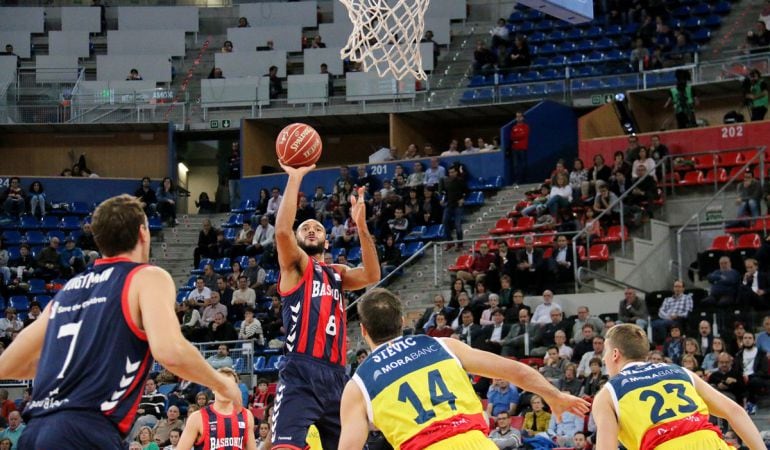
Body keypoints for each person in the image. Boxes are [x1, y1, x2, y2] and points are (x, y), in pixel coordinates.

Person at [0, 195, 241, 449]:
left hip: (35, 432)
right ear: (143, 232)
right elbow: (169, 351)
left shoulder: (68, 290)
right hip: (85, 431)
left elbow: (7, 364)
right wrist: (222, 383)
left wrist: (75, 367)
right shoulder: (146, 277)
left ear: (99, 240)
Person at [337, 288, 589, 450]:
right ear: (402, 321)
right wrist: (554, 396)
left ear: (363, 330)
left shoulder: (358, 384)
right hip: (478, 443)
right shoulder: (443, 346)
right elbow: (517, 372)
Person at [271, 162, 379, 450]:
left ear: (327, 241)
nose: (310, 230)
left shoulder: (337, 273)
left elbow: (372, 275)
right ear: (295, 240)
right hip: (300, 371)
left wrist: (361, 226)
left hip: (336, 375)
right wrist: (294, 177)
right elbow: (281, 232)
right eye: (304, 228)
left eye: (317, 228)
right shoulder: (294, 267)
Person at [591, 324, 764, 450]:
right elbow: (735, 412)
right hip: (710, 443)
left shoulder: (608, 393)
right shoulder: (680, 371)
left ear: (615, 354)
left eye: (605, 352)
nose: (604, 359)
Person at [176, 367, 256, 450]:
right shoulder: (196, 417)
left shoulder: (246, 415)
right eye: (220, 384)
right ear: (213, 388)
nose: (225, 389)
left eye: (229, 385)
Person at [510, 112, 529, 184]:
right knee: (515, 165)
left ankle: (525, 180)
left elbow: (523, 135)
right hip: (514, 148)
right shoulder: (514, 127)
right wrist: (517, 137)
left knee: (523, 165)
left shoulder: (526, 126)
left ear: (522, 117)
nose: (518, 118)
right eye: (517, 116)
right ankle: (517, 181)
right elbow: (512, 137)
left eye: (519, 116)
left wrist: (516, 138)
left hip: (523, 148)